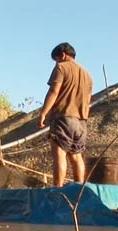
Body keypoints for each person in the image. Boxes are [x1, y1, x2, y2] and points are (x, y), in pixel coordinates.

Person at [37, 42, 93, 187]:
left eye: (56, 59)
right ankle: (79, 191)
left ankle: (58, 190)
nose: (56, 62)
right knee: (76, 157)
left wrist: (43, 113)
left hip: (63, 117)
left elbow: (54, 91)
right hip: (81, 121)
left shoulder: (61, 67)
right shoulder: (87, 75)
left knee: (60, 155)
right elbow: (88, 100)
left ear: (62, 55)